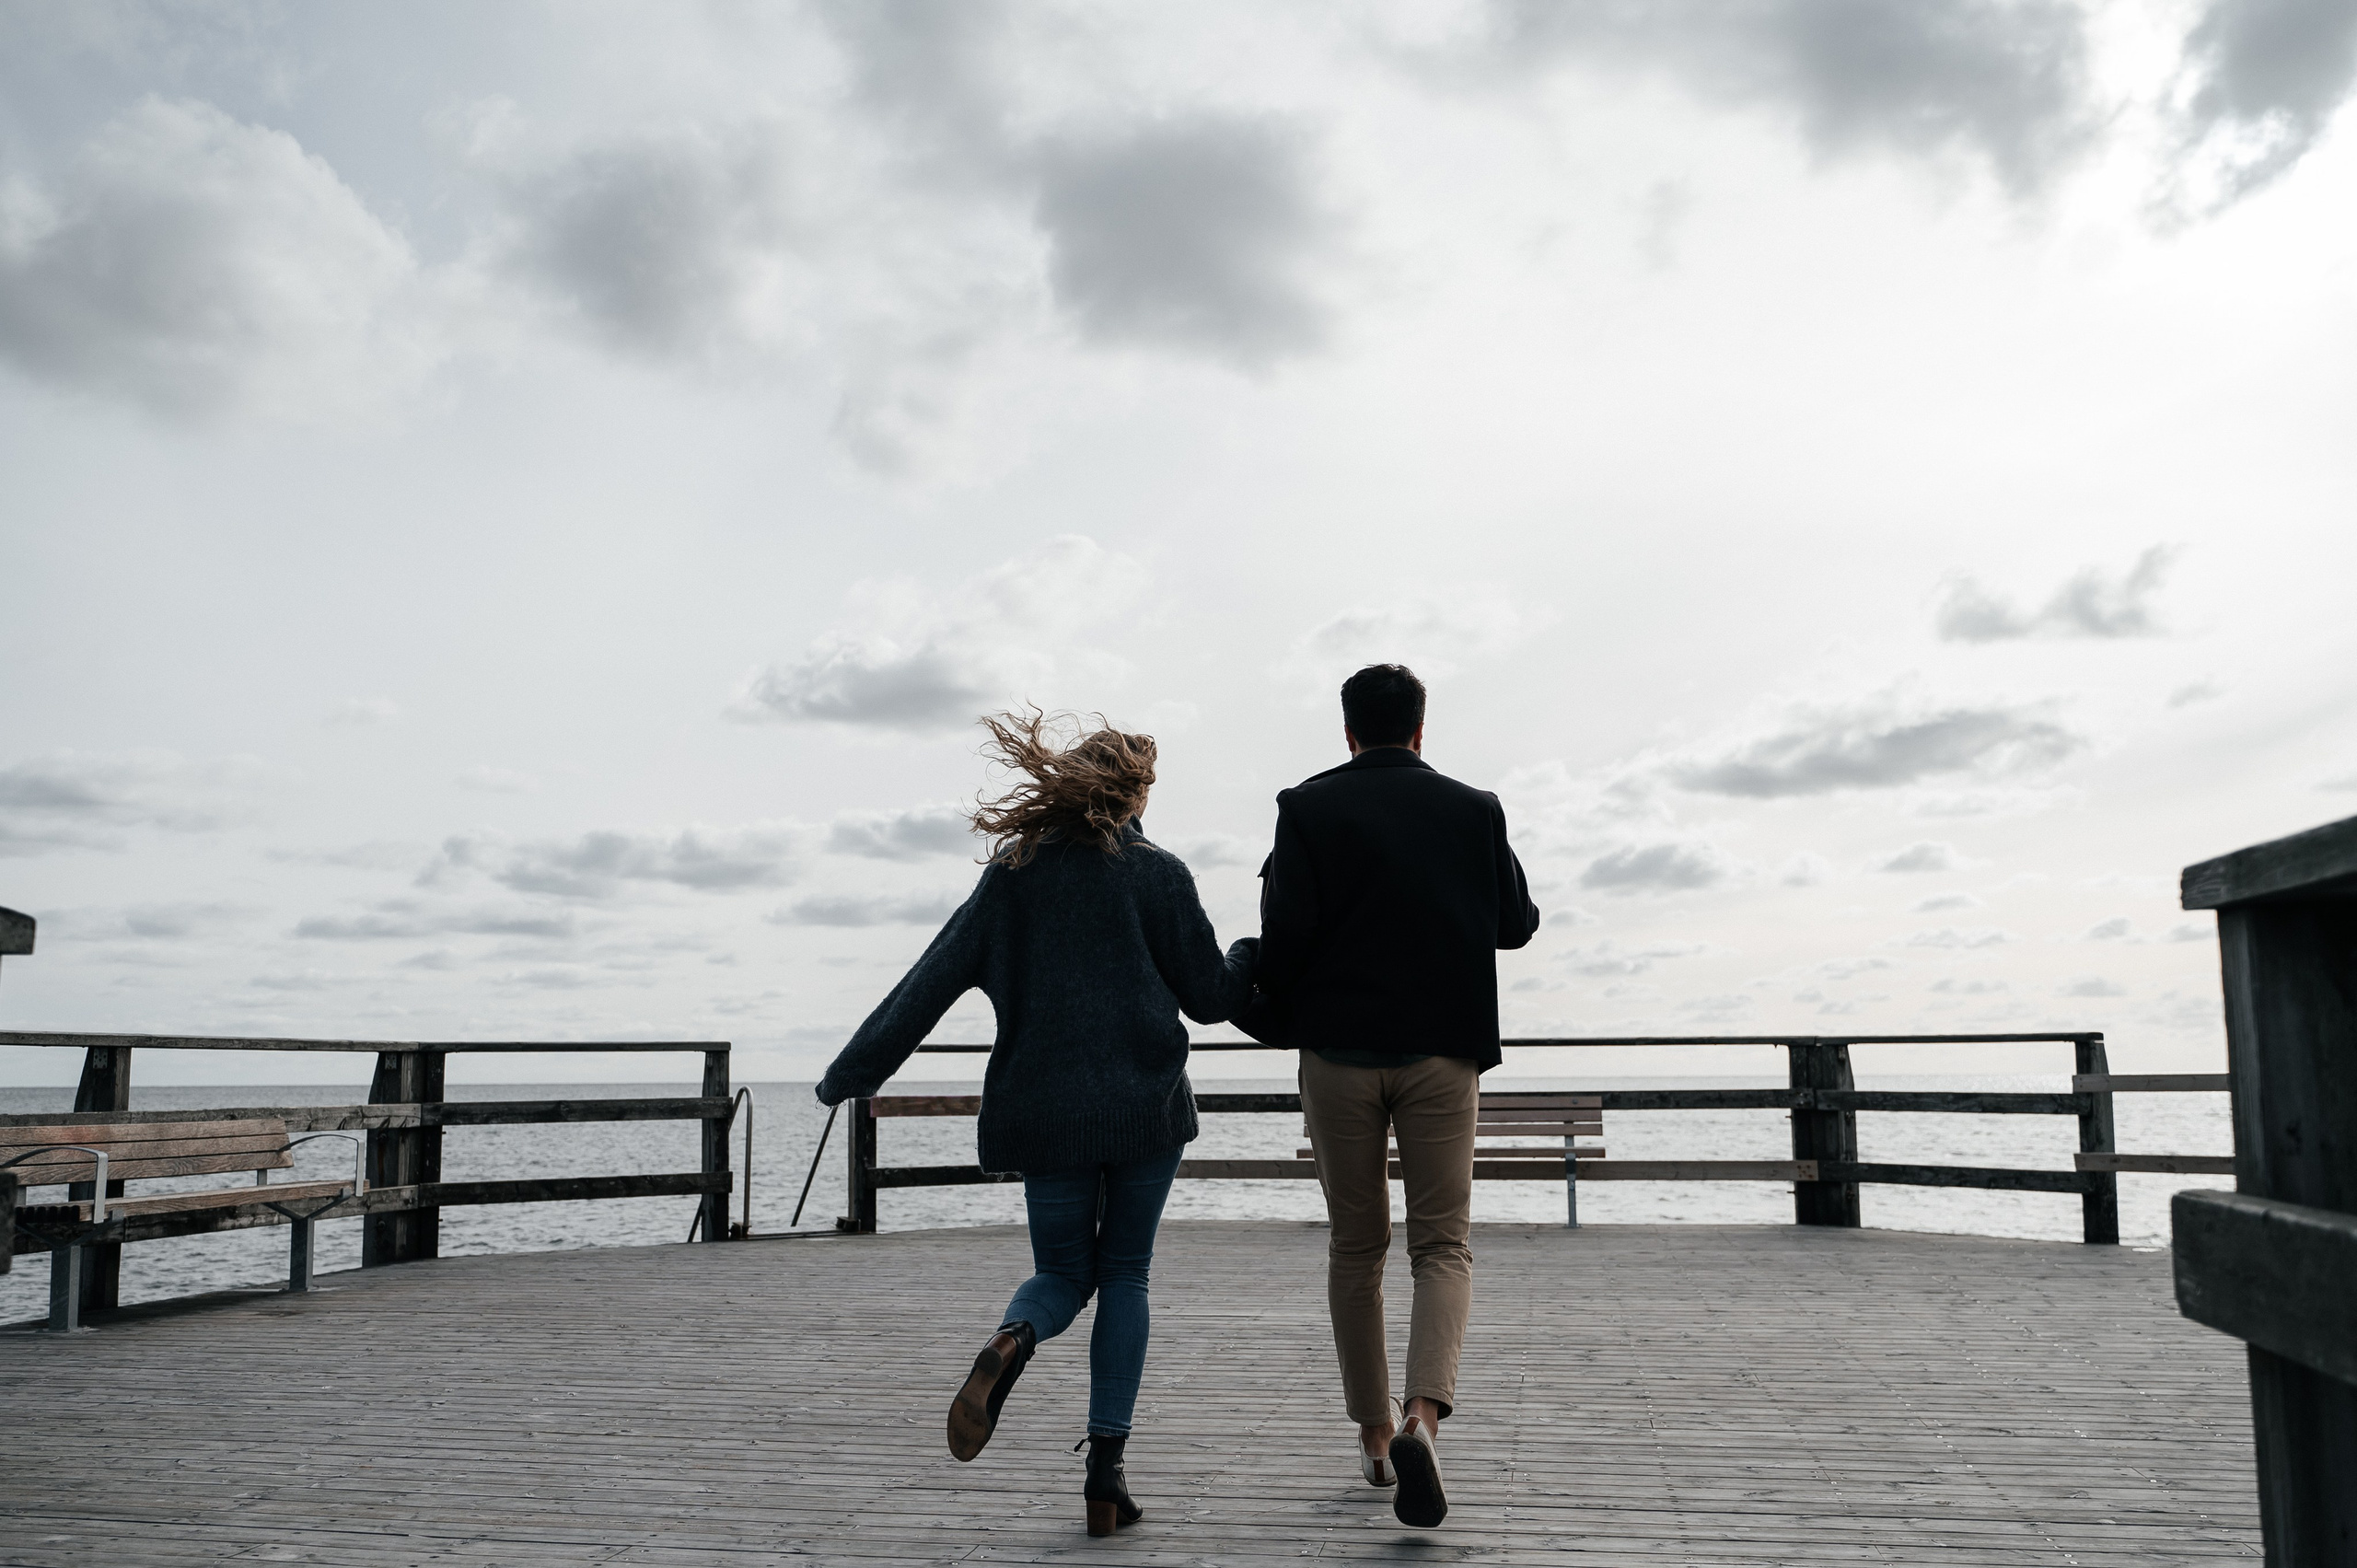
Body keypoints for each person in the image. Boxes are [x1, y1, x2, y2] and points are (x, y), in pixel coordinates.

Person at [814, 709, 1256, 1539]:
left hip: (1043, 1112)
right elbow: (1212, 999)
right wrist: (1249, 954)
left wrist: (853, 1072)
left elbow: (928, 980)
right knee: (1124, 1272)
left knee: (1060, 1272)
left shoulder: (1013, 874)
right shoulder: (1157, 873)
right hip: (1143, 1110)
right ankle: (1104, 1477)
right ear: (1135, 793)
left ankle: (1012, 1337)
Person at [1240, 664, 1540, 1529]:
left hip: (1337, 1056)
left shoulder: (1305, 808)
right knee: (1442, 1243)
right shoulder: (1473, 807)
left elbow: (1284, 940)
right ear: (1419, 728)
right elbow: (1515, 923)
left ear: (1347, 730)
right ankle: (1422, 1417)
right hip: (1442, 1053)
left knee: (1355, 1244)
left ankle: (1373, 1433)